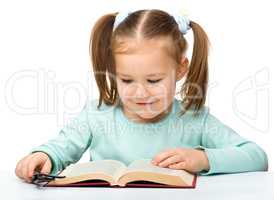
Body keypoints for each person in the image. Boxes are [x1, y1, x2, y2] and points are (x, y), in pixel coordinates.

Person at [15, 9, 268, 183]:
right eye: (126, 80)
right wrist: (43, 156)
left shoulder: (194, 119)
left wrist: (202, 158)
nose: (140, 92)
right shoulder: (97, 115)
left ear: (181, 68)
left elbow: (256, 156)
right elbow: (61, 149)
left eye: (154, 80)